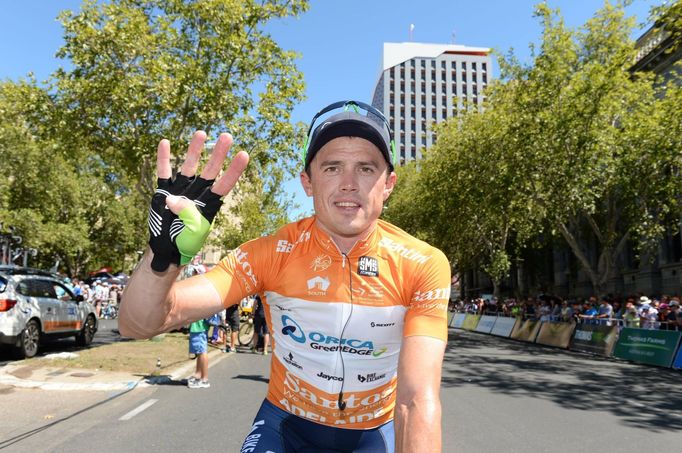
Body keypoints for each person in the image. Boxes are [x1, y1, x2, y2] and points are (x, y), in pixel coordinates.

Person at [119, 100, 450, 452]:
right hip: (286, 426)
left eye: (366, 169)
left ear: (389, 184)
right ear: (307, 182)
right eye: (333, 168)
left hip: (373, 433)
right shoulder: (268, 254)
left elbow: (416, 401)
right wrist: (164, 258)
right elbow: (137, 325)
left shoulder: (423, 263)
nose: (349, 184)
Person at [187, 317, 210, 389]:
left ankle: (204, 379)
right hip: (199, 326)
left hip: (199, 327)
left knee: (202, 352)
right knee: (200, 352)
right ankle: (198, 374)